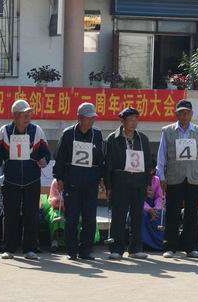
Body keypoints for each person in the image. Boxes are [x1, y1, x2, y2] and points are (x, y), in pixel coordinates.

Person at [0, 99, 51, 260]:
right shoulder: (4, 131)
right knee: (10, 214)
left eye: (29, 113)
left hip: (32, 179)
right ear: (15, 116)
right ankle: (9, 248)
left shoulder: (37, 131)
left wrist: (44, 160)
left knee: (32, 214)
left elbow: (46, 152)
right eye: (24, 114)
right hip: (11, 179)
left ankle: (30, 248)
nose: (28, 117)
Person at [156, 100, 198, 258]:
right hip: (174, 176)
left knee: (191, 213)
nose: (184, 115)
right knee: (172, 212)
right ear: (176, 113)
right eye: (181, 112)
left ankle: (191, 247)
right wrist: (161, 176)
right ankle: (170, 247)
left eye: (187, 112)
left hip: (193, 177)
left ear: (192, 114)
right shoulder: (167, 131)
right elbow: (162, 155)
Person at [53, 103, 104, 261]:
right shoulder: (68, 134)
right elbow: (60, 157)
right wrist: (59, 178)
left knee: (90, 218)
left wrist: (102, 178)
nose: (92, 121)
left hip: (90, 183)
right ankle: (72, 250)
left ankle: (86, 251)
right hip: (72, 182)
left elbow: (101, 158)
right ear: (80, 118)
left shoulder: (97, 134)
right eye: (89, 118)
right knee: (72, 218)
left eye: (93, 118)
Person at [104, 107, 152, 260]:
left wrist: (148, 183)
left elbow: (148, 163)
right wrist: (108, 185)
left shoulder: (143, 139)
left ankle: (135, 248)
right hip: (120, 182)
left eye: (136, 119)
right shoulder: (113, 138)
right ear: (122, 121)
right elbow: (108, 164)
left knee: (137, 216)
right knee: (119, 216)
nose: (133, 123)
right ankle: (117, 248)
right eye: (130, 120)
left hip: (138, 182)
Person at [142, 174, 165, 250]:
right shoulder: (139, 178)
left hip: (153, 205)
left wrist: (156, 208)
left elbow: (159, 196)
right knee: (143, 215)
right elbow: (137, 198)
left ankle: (158, 244)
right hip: (141, 205)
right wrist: (149, 209)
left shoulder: (156, 179)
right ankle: (145, 243)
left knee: (161, 214)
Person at [45, 178, 66, 253]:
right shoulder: (55, 182)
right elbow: (53, 202)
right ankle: (55, 242)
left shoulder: (73, 179)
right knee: (56, 216)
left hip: (69, 207)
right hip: (55, 207)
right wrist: (61, 200)